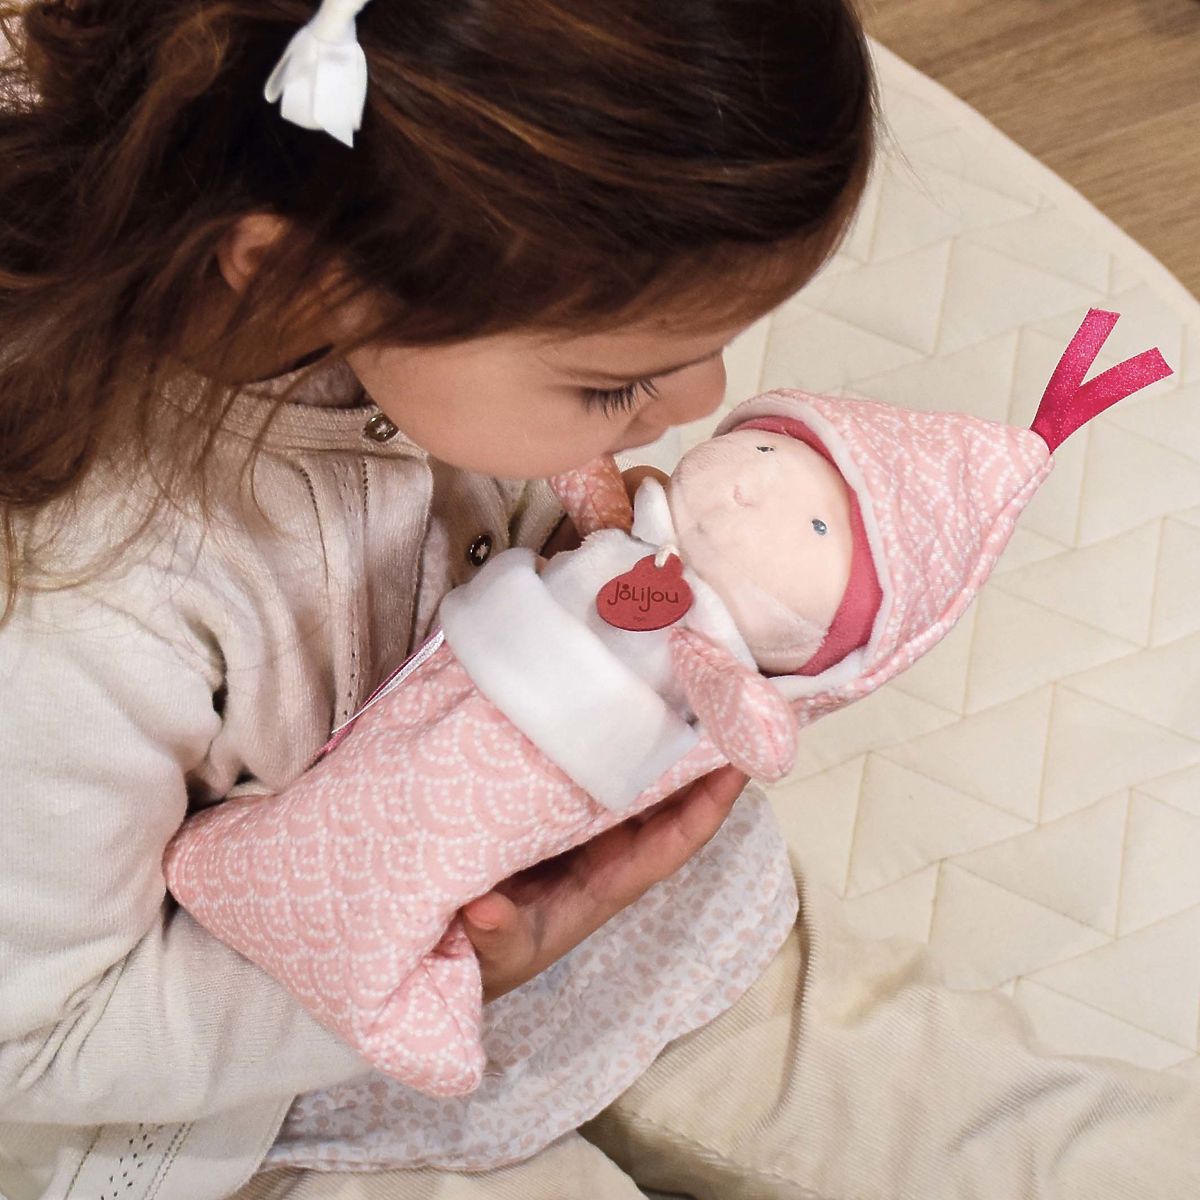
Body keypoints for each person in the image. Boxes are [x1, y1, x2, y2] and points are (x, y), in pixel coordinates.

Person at [0, 2, 1196, 1198]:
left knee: (1018, 1131)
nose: (708, 402)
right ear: (299, 277)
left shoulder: (419, 282)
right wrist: (450, 974)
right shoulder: (79, 623)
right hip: (266, 1092)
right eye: (616, 384)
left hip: (642, 923)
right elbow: (39, 1043)